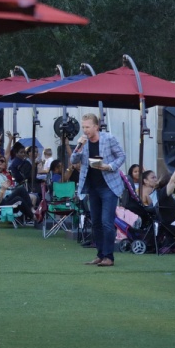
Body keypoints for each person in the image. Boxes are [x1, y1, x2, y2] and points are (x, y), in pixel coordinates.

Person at [68, 113, 126, 267]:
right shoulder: (83, 142)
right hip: (92, 187)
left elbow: (121, 156)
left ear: (96, 127)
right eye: (83, 127)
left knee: (106, 222)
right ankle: (100, 255)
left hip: (109, 187)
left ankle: (109, 257)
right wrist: (78, 147)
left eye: (88, 127)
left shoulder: (108, 138)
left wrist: (109, 166)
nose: (85, 130)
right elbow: (73, 160)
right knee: (95, 223)